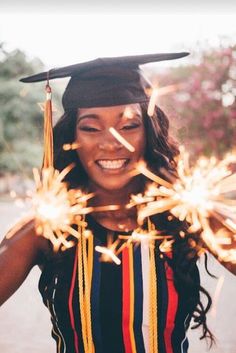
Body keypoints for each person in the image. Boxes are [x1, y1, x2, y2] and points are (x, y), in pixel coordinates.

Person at [0, 52, 235, 353]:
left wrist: (200, 206)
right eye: (90, 127)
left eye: (129, 126)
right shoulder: (46, 228)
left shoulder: (185, 216)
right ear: (71, 136)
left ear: (148, 133)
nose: (112, 142)